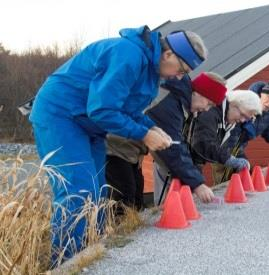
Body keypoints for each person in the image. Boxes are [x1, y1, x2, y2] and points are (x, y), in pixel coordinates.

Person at [29, 25, 207, 265]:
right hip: (61, 115)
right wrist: (144, 134)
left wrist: (151, 127)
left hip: (90, 124)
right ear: (168, 54)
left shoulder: (151, 74)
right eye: (181, 69)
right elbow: (102, 109)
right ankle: (66, 264)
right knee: (78, 192)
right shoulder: (128, 54)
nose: (178, 77)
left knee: (99, 191)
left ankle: (91, 257)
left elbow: (129, 110)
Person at [145, 72, 227, 205]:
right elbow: (174, 147)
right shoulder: (171, 105)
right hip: (118, 145)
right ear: (198, 93)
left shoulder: (182, 104)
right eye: (209, 103)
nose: (206, 109)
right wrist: (197, 184)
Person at [212, 79, 269, 184]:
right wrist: (229, 158)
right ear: (261, 94)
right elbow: (232, 133)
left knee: (241, 178)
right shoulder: (245, 104)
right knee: (225, 183)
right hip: (223, 146)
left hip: (239, 148)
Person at [190, 90, 262, 183]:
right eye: (242, 115)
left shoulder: (229, 120)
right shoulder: (211, 112)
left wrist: (241, 158)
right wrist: (229, 160)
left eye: (247, 118)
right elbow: (203, 142)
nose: (242, 120)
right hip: (178, 158)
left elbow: (231, 144)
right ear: (233, 104)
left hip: (193, 162)